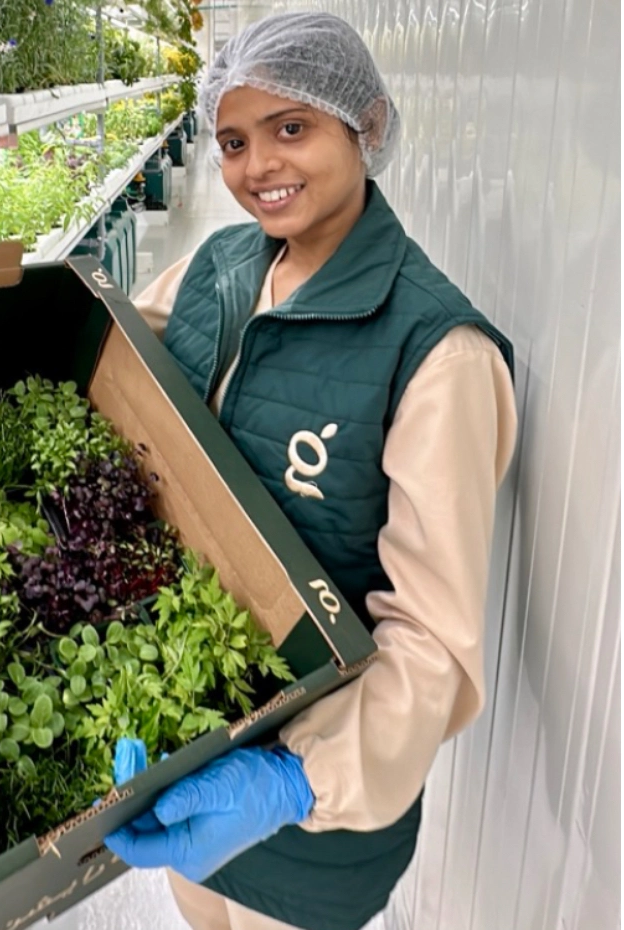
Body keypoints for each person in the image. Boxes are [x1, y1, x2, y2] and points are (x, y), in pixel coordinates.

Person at [98, 12, 518, 930]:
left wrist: (293, 780)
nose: (259, 167)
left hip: (314, 829)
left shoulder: (437, 354)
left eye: (293, 128)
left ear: (364, 125)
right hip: (196, 752)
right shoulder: (219, 267)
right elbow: (120, 352)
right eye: (236, 141)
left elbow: (432, 646)